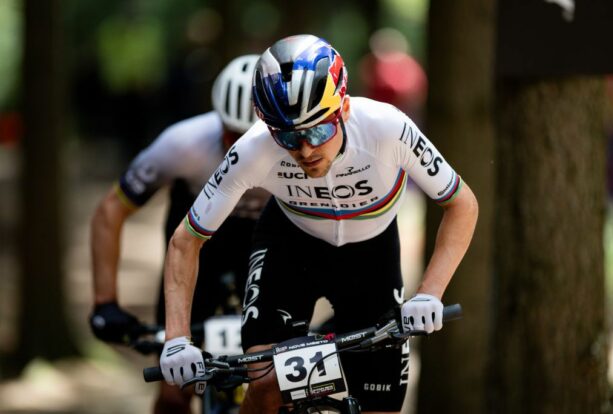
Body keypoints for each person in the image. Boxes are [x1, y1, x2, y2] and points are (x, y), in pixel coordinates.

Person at [158, 35, 479, 414]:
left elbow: (461, 203)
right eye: (289, 137)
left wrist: (430, 292)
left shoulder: (386, 129)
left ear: (342, 107)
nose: (306, 150)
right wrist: (177, 339)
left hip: (371, 258)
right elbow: (186, 240)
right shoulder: (253, 148)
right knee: (265, 383)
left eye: (317, 131)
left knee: (382, 405)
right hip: (291, 247)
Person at [88, 54, 269, 414]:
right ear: (217, 119)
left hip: (266, 254)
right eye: (231, 134)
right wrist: (105, 302)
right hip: (196, 258)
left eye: (253, 138)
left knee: (272, 386)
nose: (240, 148)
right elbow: (111, 210)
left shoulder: (299, 152)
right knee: (174, 394)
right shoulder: (183, 143)